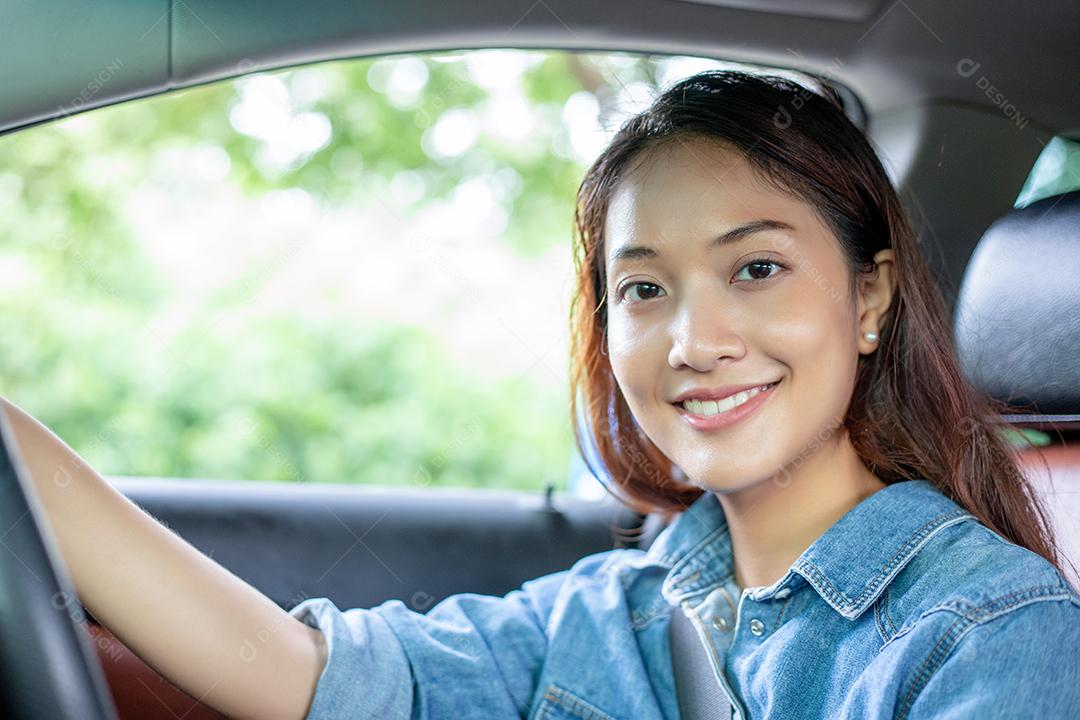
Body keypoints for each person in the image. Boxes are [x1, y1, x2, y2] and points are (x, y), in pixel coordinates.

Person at [5, 69, 1080, 720]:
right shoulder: (614, 610)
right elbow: (309, 681)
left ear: (869, 298)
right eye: (644, 289)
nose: (695, 341)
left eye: (756, 269)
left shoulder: (989, 634)